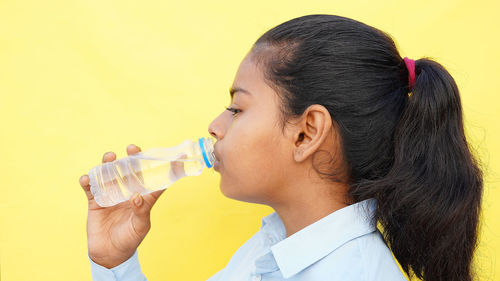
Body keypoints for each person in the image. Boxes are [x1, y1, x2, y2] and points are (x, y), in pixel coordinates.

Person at [78, 14, 483, 281]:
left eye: (237, 108)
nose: (215, 127)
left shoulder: (351, 273)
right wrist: (116, 263)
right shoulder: (269, 249)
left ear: (307, 133)